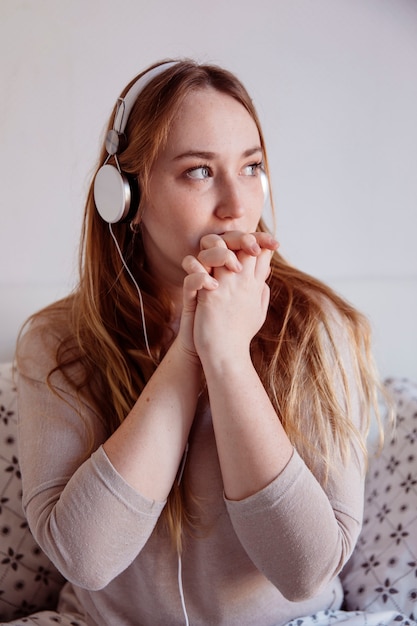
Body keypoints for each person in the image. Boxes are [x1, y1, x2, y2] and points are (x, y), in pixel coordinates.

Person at [12, 58, 409, 626]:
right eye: (200, 171)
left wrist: (230, 361)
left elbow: (307, 572)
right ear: (123, 195)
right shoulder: (56, 342)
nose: (237, 204)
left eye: (251, 167)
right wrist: (192, 353)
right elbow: (87, 559)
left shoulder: (319, 327)